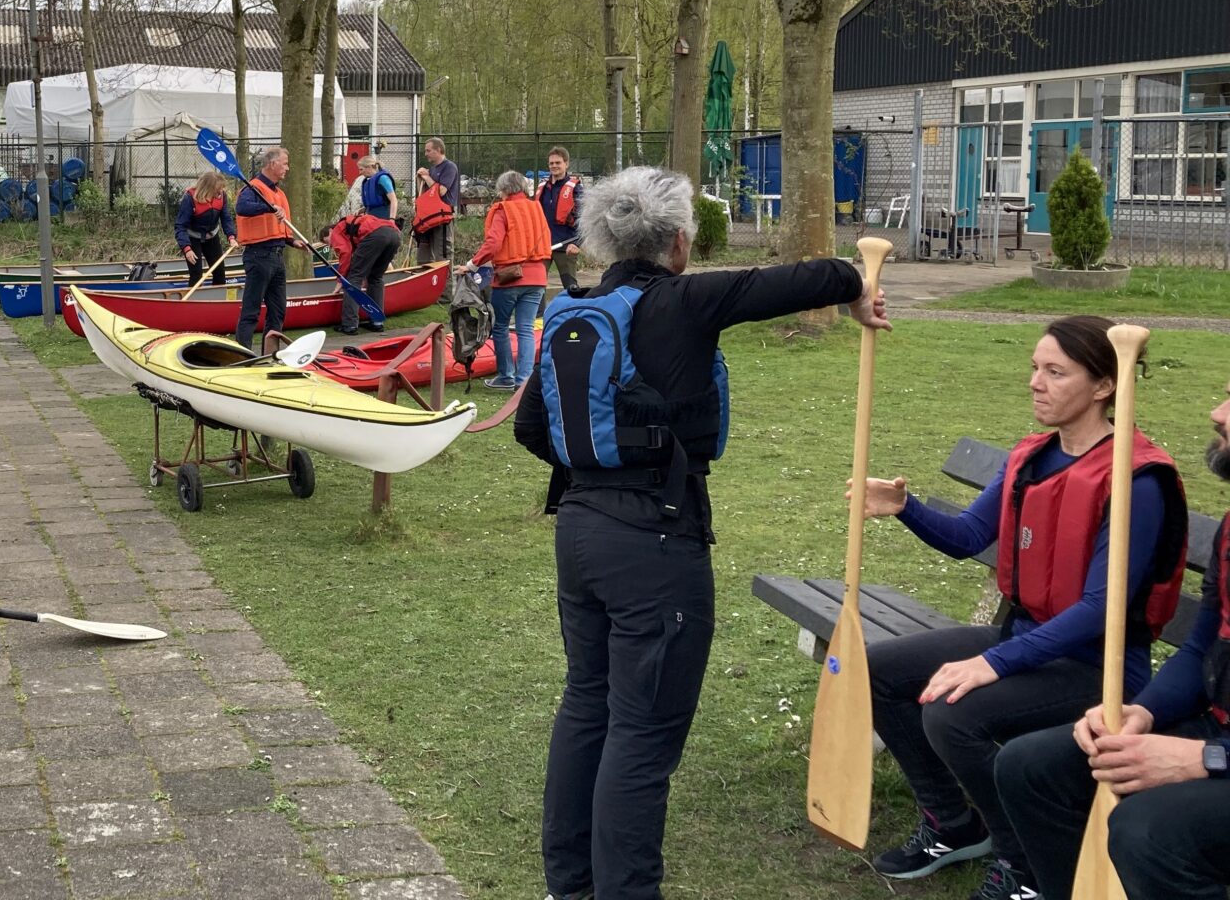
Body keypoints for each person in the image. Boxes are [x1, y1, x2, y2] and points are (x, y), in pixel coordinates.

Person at [512, 166, 888, 900]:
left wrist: (603, 466)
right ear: (679, 242)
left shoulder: (576, 312)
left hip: (581, 533)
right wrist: (857, 278)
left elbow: (533, 427)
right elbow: (790, 281)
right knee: (643, 733)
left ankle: (570, 883)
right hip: (655, 543)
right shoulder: (686, 300)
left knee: (588, 701)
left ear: (603, 241)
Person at [849, 315, 1187, 900]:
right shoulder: (1031, 456)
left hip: (1097, 668)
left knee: (953, 715)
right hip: (1026, 641)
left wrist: (994, 664)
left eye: (1056, 372)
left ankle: (1024, 860)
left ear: (1105, 385)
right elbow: (965, 538)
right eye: (1035, 367)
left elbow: (1102, 608)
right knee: (877, 670)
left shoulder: (1140, 480)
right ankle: (954, 823)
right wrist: (905, 507)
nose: (1036, 382)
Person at [994, 378, 1230, 900]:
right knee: (1029, 767)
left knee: (1149, 830)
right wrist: (1141, 713)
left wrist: (1204, 761)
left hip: (1219, 754)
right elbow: (1201, 647)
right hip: (1213, 728)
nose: (1217, 412)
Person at [468, 169, 553, 390]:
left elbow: (494, 243)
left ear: (504, 189)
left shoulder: (503, 210)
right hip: (537, 277)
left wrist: (472, 264)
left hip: (509, 277)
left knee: (501, 326)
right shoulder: (537, 208)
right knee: (525, 328)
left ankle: (506, 375)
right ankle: (523, 380)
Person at [234, 147, 306, 351]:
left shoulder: (278, 193)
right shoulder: (253, 188)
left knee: (278, 310)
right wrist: (269, 207)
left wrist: (292, 242)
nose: (287, 168)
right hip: (258, 256)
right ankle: (242, 354)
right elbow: (243, 208)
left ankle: (271, 354)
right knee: (251, 310)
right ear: (272, 164)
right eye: (284, 163)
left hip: (276, 257)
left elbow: (278, 228)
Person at [327, 208, 401, 335]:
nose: (331, 245)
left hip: (376, 235)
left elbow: (345, 254)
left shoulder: (336, 231)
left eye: (327, 241)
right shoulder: (354, 227)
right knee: (375, 277)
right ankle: (377, 323)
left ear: (329, 231)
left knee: (353, 278)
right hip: (394, 235)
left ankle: (349, 325)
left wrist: (341, 279)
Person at [174, 170, 236, 287]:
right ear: (207, 189)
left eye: (221, 189)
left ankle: (217, 300)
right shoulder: (189, 199)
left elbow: (226, 218)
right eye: (217, 191)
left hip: (212, 237)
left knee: (219, 273)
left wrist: (231, 236)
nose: (220, 193)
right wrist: (187, 249)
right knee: (196, 274)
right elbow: (180, 226)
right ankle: (194, 302)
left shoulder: (222, 197)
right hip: (193, 238)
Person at [539, 146, 584, 293]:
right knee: (537, 287)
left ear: (566, 164)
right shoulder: (543, 187)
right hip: (543, 245)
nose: (554, 166)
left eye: (558, 163)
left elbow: (584, 217)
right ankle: (539, 316)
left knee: (570, 286)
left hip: (566, 245)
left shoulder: (575, 188)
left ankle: (573, 313)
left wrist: (578, 243)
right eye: (551, 163)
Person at [413, 137, 461, 264]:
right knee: (424, 256)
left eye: (428, 151)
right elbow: (425, 194)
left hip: (442, 217)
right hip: (428, 217)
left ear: (438, 150)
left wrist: (427, 177)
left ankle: (447, 283)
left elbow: (441, 191)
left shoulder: (449, 167)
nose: (426, 154)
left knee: (443, 255)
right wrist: (420, 179)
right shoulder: (433, 169)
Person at [356, 154, 399, 225]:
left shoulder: (383, 178)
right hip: (371, 219)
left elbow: (394, 200)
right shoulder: (368, 181)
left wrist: (392, 219)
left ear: (369, 167)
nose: (359, 173)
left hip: (383, 219)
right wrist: (362, 210)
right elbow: (374, 204)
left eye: (361, 169)